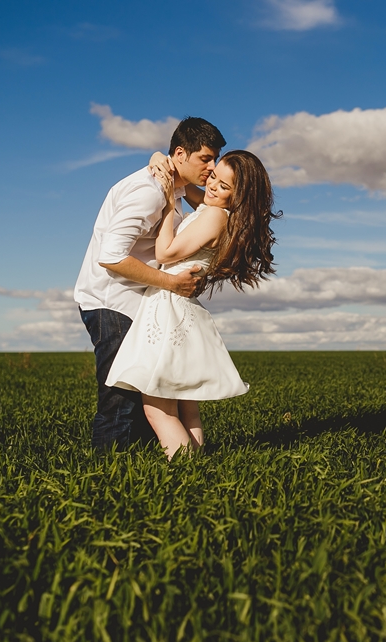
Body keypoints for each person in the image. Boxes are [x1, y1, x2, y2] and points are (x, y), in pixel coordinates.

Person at [106, 150, 279, 460]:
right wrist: (162, 158)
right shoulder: (220, 213)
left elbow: (166, 253)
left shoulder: (214, 215)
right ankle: (198, 465)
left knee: (157, 409)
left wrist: (170, 204)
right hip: (181, 310)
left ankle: (185, 473)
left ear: (238, 196)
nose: (212, 186)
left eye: (224, 186)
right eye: (213, 176)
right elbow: (189, 187)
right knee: (187, 408)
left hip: (168, 308)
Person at [74, 117, 226, 452]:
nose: (212, 168)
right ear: (182, 154)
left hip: (138, 301)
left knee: (148, 393)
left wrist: (160, 158)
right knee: (120, 398)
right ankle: (104, 477)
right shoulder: (149, 193)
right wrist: (172, 282)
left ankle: (146, 472)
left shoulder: (176, 187)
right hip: (111, 301)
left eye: (215, 159)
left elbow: (217, 205)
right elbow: (111, 256)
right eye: (206, 159)